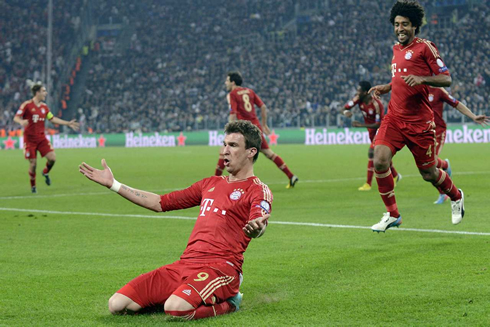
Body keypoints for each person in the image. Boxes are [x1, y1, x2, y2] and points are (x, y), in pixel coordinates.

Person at [79, 120, 273, 320]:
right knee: (117, 304)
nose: (224, 151)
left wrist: (256, 229)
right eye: (224, 144)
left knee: (177, 308)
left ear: (251, 152)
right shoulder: (210, 183)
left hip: (220, 267)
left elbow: (259, 221)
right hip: (185, 264)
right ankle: (182, 296)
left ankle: (231, 303)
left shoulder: (258, 189)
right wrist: (114, 184)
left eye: (232, 146)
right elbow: (159, 202)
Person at [368, 0, 465, 232]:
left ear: (415, 26)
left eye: (405, 24)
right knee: (379, 160)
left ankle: (456, 196)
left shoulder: (426, 47)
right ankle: (393, 215)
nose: (400, 28)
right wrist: (387, 86)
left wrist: (423, 79)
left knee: (429, 173)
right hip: (394, 119)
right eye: (397, 24)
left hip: (420, 123)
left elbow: (446, 78)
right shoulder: (395, 49)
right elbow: (401, 79)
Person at [215, 71, 298, 188]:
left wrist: (229, 132)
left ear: (233, 82)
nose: (225, 83)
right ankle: (291, 176)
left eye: (227, 80)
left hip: (244, 129)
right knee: (269, 153)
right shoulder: (250, 91)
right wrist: (264, 125)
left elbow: (233, 113)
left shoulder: (233, 94)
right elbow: (263, 107)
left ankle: (214, 184)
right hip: (256, 128)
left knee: (224, 151)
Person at [14, 83, 79, 193]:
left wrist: (67, 123)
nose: (46, 93)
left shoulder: (44, 107)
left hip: (41, 138)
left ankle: (45, 172)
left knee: (52, 158)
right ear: (37, 93)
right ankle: (33, 186)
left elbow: (52, 119)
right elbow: (16, 117)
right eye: (43, 91)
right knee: (33, 164)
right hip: (30, 140)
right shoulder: (27, 105)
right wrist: (21, 121)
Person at [427, 87, 489, 204]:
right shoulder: (417, 88)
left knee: (430, 163)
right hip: (424, 131)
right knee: (426, 167)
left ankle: (443, 193)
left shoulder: (439, 91)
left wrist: (473, 116)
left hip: (438, 131)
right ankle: (445, 165)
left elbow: (455, 103)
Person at [343, 81, 401, 191]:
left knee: (372, 153)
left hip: (381, 129)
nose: (357, 93)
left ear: (365, 92)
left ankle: (368, 184)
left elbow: (379, 123)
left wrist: (361, 125)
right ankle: (395, 176)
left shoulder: (376, 104)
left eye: (359, 91)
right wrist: (346, 112)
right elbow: (345, 108)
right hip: (371, 131)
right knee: (382, 155)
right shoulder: (358, 99)